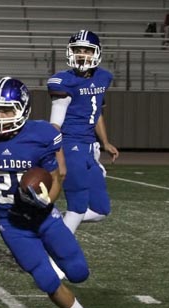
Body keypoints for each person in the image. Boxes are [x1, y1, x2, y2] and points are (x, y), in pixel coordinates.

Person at [0, 77, 103, 308]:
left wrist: (46, 201)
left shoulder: (41, 136)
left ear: (23, 109)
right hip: (12, 223)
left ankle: (60, 264)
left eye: (7, 110)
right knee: (45, 280)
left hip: (45, 218)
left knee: (78, 272)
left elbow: (56, 177)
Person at [47, 30, 119, 234]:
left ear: (96, 53)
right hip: (70, 145)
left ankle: (51, 225)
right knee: (77, 208)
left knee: (100, 210)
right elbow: (55, 124)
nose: (81, 55)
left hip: (89, 147)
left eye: (87, 51)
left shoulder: (104, 77)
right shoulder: (62, 81)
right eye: (78, 50)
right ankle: (57, 248)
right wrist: (56, 153)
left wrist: (105, 142)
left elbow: (96, 112)